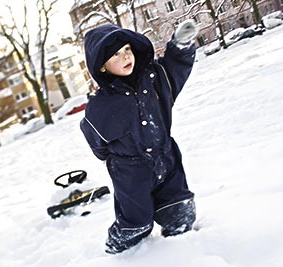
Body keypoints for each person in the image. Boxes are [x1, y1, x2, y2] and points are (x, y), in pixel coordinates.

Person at [80, 20, 199, 254]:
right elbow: (97, 143)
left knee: (180, 207)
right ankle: (120, 248)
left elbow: (175, 68)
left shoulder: (155, 78)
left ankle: (185, 251)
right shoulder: (100, 106)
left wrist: (181, 45)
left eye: (127, 49)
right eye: (115, 54)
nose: (126, 57)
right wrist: (118, 159)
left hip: (166, 156)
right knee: (137, 222)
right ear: (101, 67)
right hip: (130, 171)